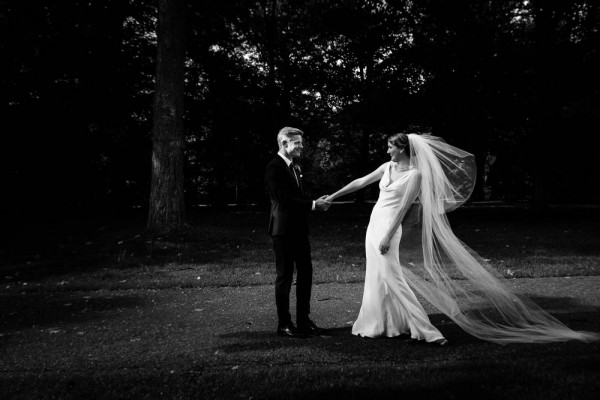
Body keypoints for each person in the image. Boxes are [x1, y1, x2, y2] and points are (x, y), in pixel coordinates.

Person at [326, 133, 599, 344]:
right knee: (376, 276)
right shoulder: (387, 167)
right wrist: (333, 196)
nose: (387, 150)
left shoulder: (415, 174)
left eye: (390, 146)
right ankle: (380, 324)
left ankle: (427, 331)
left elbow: (403, 209)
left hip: (388, 228)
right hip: (373, 225)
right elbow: (361, 181)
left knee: (393, 277)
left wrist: (388, 235)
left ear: (402, 149)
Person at [264, 126, 330, 338]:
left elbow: (298, 196)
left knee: (306, 273)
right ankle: (284, 324)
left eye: (301, 142)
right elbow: (284, 200)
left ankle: (304, 320)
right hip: (282, 231)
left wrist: (317, 201)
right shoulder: (274, 167)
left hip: (299, 230)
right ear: (284, 143)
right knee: (284, 276)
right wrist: (313, 204)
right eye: (297, 143)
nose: (302, 146)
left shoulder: (295, 167)